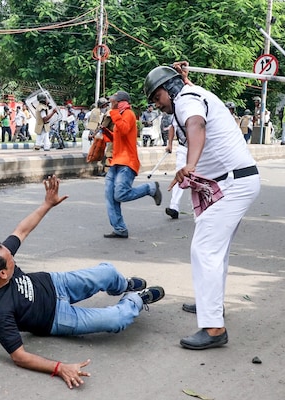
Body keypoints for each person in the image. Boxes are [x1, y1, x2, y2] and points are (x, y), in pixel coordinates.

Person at [0, 175, 165, 389]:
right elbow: (19, 356)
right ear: (2, 275)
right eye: (11, 260)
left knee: (108, 272)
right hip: (56, 318)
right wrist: (59, 367)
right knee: (117, 320)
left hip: (55, 283)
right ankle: (136, 299)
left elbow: (22, 230)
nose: (12, 254)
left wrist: (47, 204)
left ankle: (122, 285)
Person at [144, 61, 260, 350]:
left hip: (233, 183)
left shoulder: (186, 101)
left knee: (204, 248)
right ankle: (212, 307)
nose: (157, 105)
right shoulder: (192, 94)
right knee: (215, 250)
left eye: (157, 98)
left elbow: (196, 126)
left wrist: (190, 165)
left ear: (168, 89)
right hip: (234, 182)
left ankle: (213, 328)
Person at [101, 90, 162, 239]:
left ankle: (150, 188)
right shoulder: (120, 115)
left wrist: (113, 113)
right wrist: (106, 133)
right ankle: (120, 229)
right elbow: (120, 136)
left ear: (120, 101)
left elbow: (124, 129)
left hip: (127, 161)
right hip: (116, 161)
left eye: (113, 99)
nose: (111, 101)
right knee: (110, 196)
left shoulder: (128, 114)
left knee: (120, 194)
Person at [164, 115, 186, 220]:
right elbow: (173, 127)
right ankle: (174, 207)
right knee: (179, 176)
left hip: (200, 149)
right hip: (183, 148)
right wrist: (170, 144)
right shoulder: (177, 113)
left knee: (201, 177)